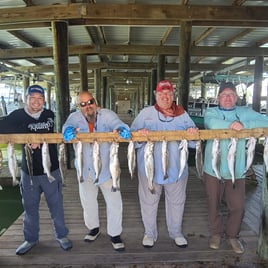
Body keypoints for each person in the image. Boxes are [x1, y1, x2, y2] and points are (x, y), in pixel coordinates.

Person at [0, 84, 72, 255]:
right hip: (29, 172)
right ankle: (30, 239)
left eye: (40, 99)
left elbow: (49, 130)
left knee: (56, 206)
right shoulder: (17, 115)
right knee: (30, 208)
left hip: (51, 170)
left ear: (44, 101)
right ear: (26, 99)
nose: (36, 102)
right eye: (32, 98)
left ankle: (61, 236)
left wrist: (36, 137)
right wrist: (26, 137)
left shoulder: (49, 115)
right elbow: (3, 126)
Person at [130, 80, 198, 248]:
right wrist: (139, 134)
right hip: (149, 169)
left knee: (177, 202)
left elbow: (195, 143)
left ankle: (176, 232)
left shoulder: (183, 115)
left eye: (168, 93)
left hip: (177, 169)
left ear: (173, 95)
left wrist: (192, 133)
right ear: (156, 94)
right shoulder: (145, 113)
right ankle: (149, 233)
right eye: (162, 94)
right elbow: (130, 137)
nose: (165, 97)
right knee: (148, 202)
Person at [203, 81, 268, 254]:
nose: (228, 98)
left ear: (236, 97)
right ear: (218, 98)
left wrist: (245, 126)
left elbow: (265, 121)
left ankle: (233, 236)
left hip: (237, 170)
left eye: (231, 94)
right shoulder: (211, 111)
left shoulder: (244, 112)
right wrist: (233, 126)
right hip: (213, 168)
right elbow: (212, 124)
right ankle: (216, 234)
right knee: (213, 204)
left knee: (238, 206)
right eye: (224, 95)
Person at [62, 91, 130, 252]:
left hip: (108, 169)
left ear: (96, 102)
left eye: (90, 102)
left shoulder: (107, 114)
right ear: (79, 106)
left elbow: (118, 123)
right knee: (88, 201)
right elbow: (66, 127)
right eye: (83, 104)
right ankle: (93, 228)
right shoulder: (75, 117)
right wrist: (67, 131)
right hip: (85, 169)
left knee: (114, 202)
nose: (87, 106)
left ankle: (115, 233)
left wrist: (121, 128)